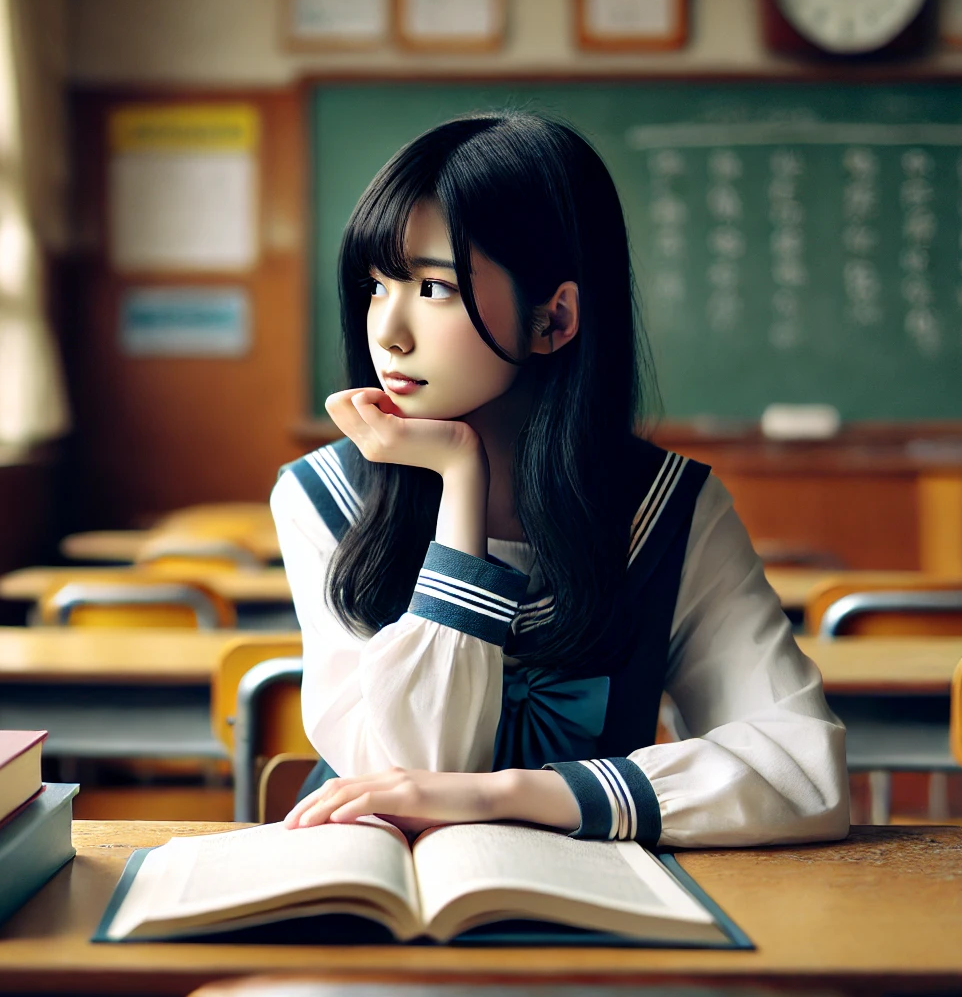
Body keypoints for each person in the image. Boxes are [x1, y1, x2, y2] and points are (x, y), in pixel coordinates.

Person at [273, 112, 849, 848]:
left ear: (555, 317)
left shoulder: (667, 511)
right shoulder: (324, 499)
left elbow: (805, 774)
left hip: (601, 897)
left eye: (434, 288)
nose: (386, 330)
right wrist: (458, 477)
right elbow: (408, 772)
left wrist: (519, 794)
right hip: (373, 893)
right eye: (378, 285)